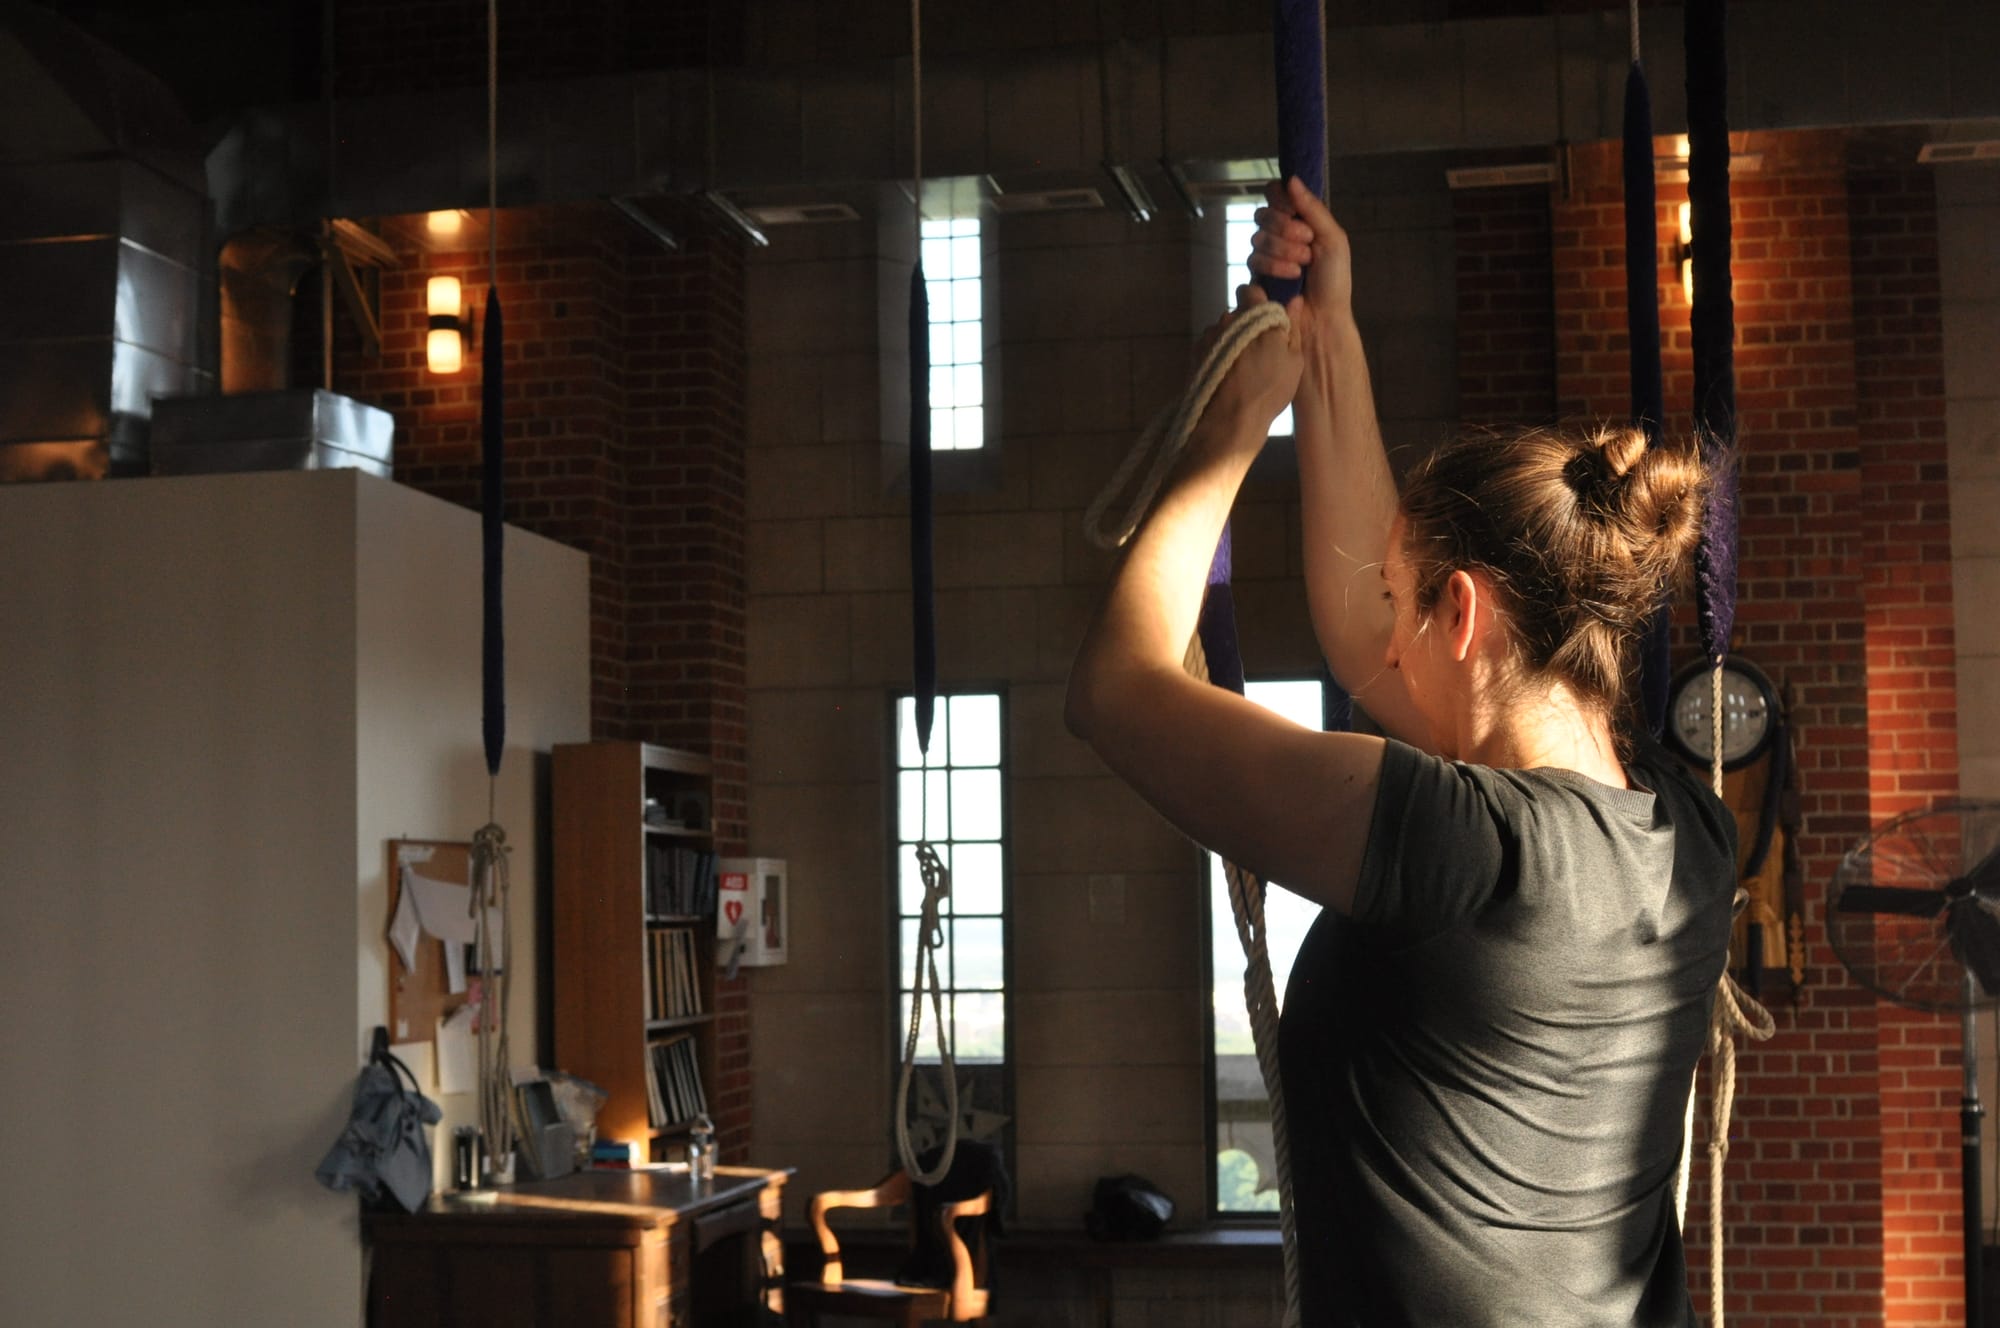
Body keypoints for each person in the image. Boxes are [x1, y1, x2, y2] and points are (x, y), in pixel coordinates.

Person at [1063, 177, 1736, 1327]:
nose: (1382, 637)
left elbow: (1115, 693)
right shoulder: (1684, 836)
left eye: (1402, 597)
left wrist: (1234, 428)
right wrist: (1329, 347)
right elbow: (1372, 637)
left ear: (1462, 613)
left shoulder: (1454, 840)